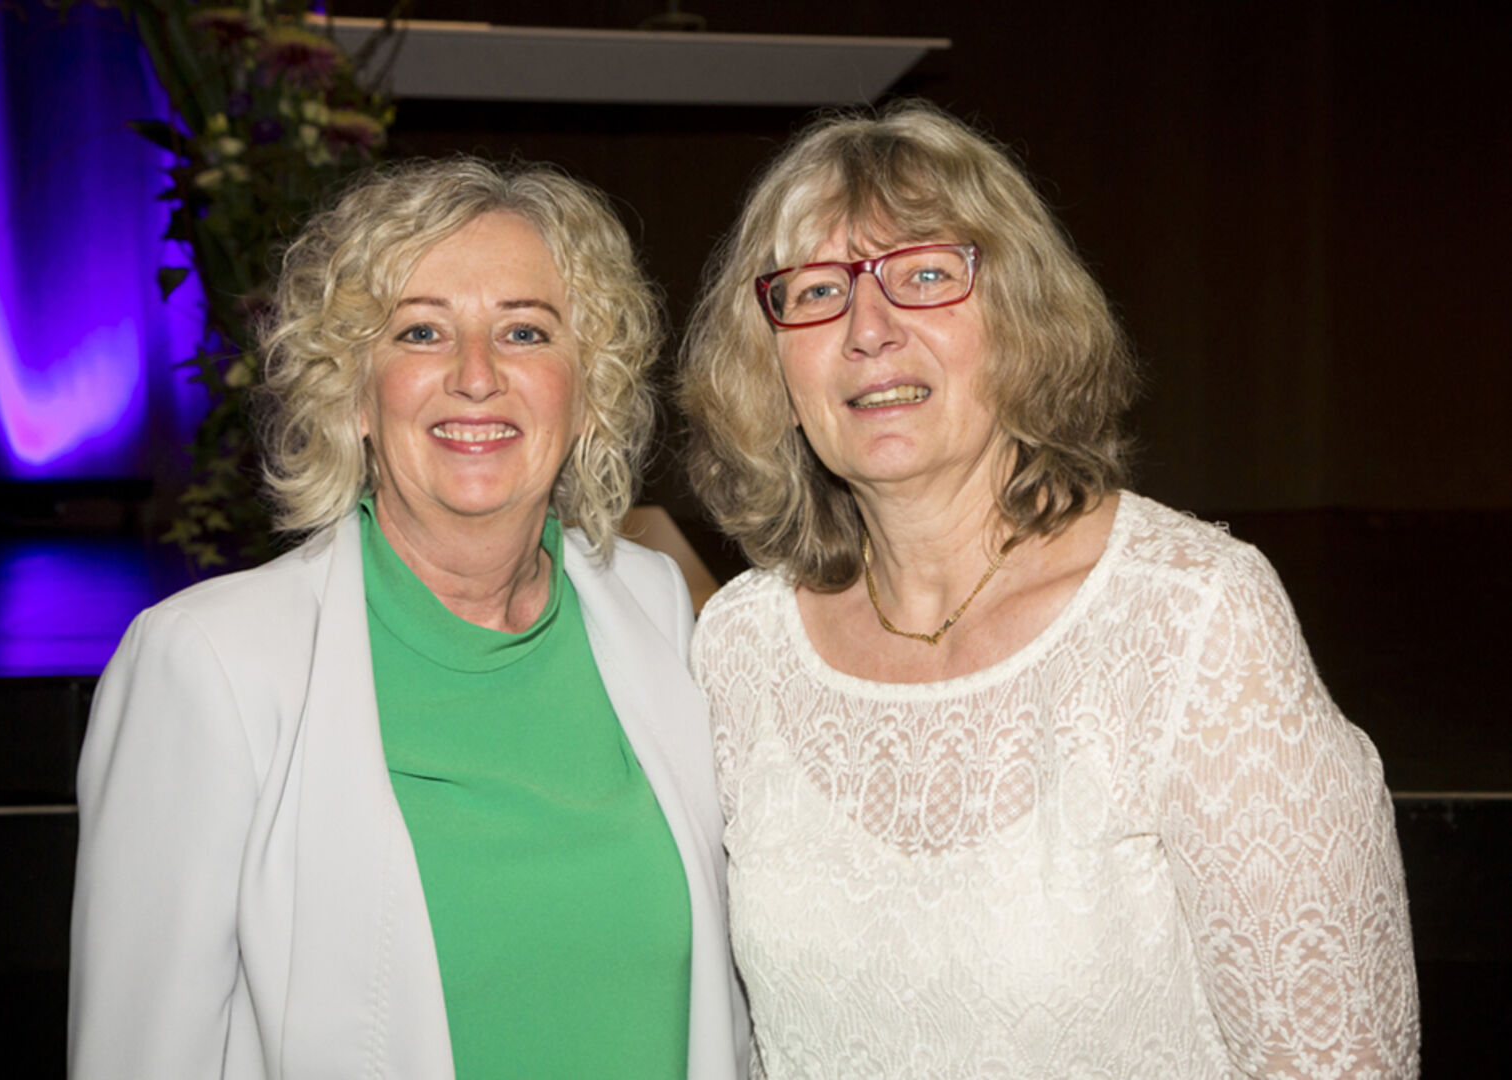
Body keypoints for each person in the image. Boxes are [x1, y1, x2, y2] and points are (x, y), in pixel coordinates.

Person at [680, 103, 1419, 1079]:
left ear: (1019, 319)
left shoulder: (1189, 619)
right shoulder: (741, 646)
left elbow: (1336, 1062)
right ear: (771, 360)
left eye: (925, 275)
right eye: (816, 291)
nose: (867, 330)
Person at [70, 157, 750, 1079]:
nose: (476, 375)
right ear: (353, 391)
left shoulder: (656, 606)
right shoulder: (209, 664)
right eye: (421, 331)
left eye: (524, 331)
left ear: (587, 390)